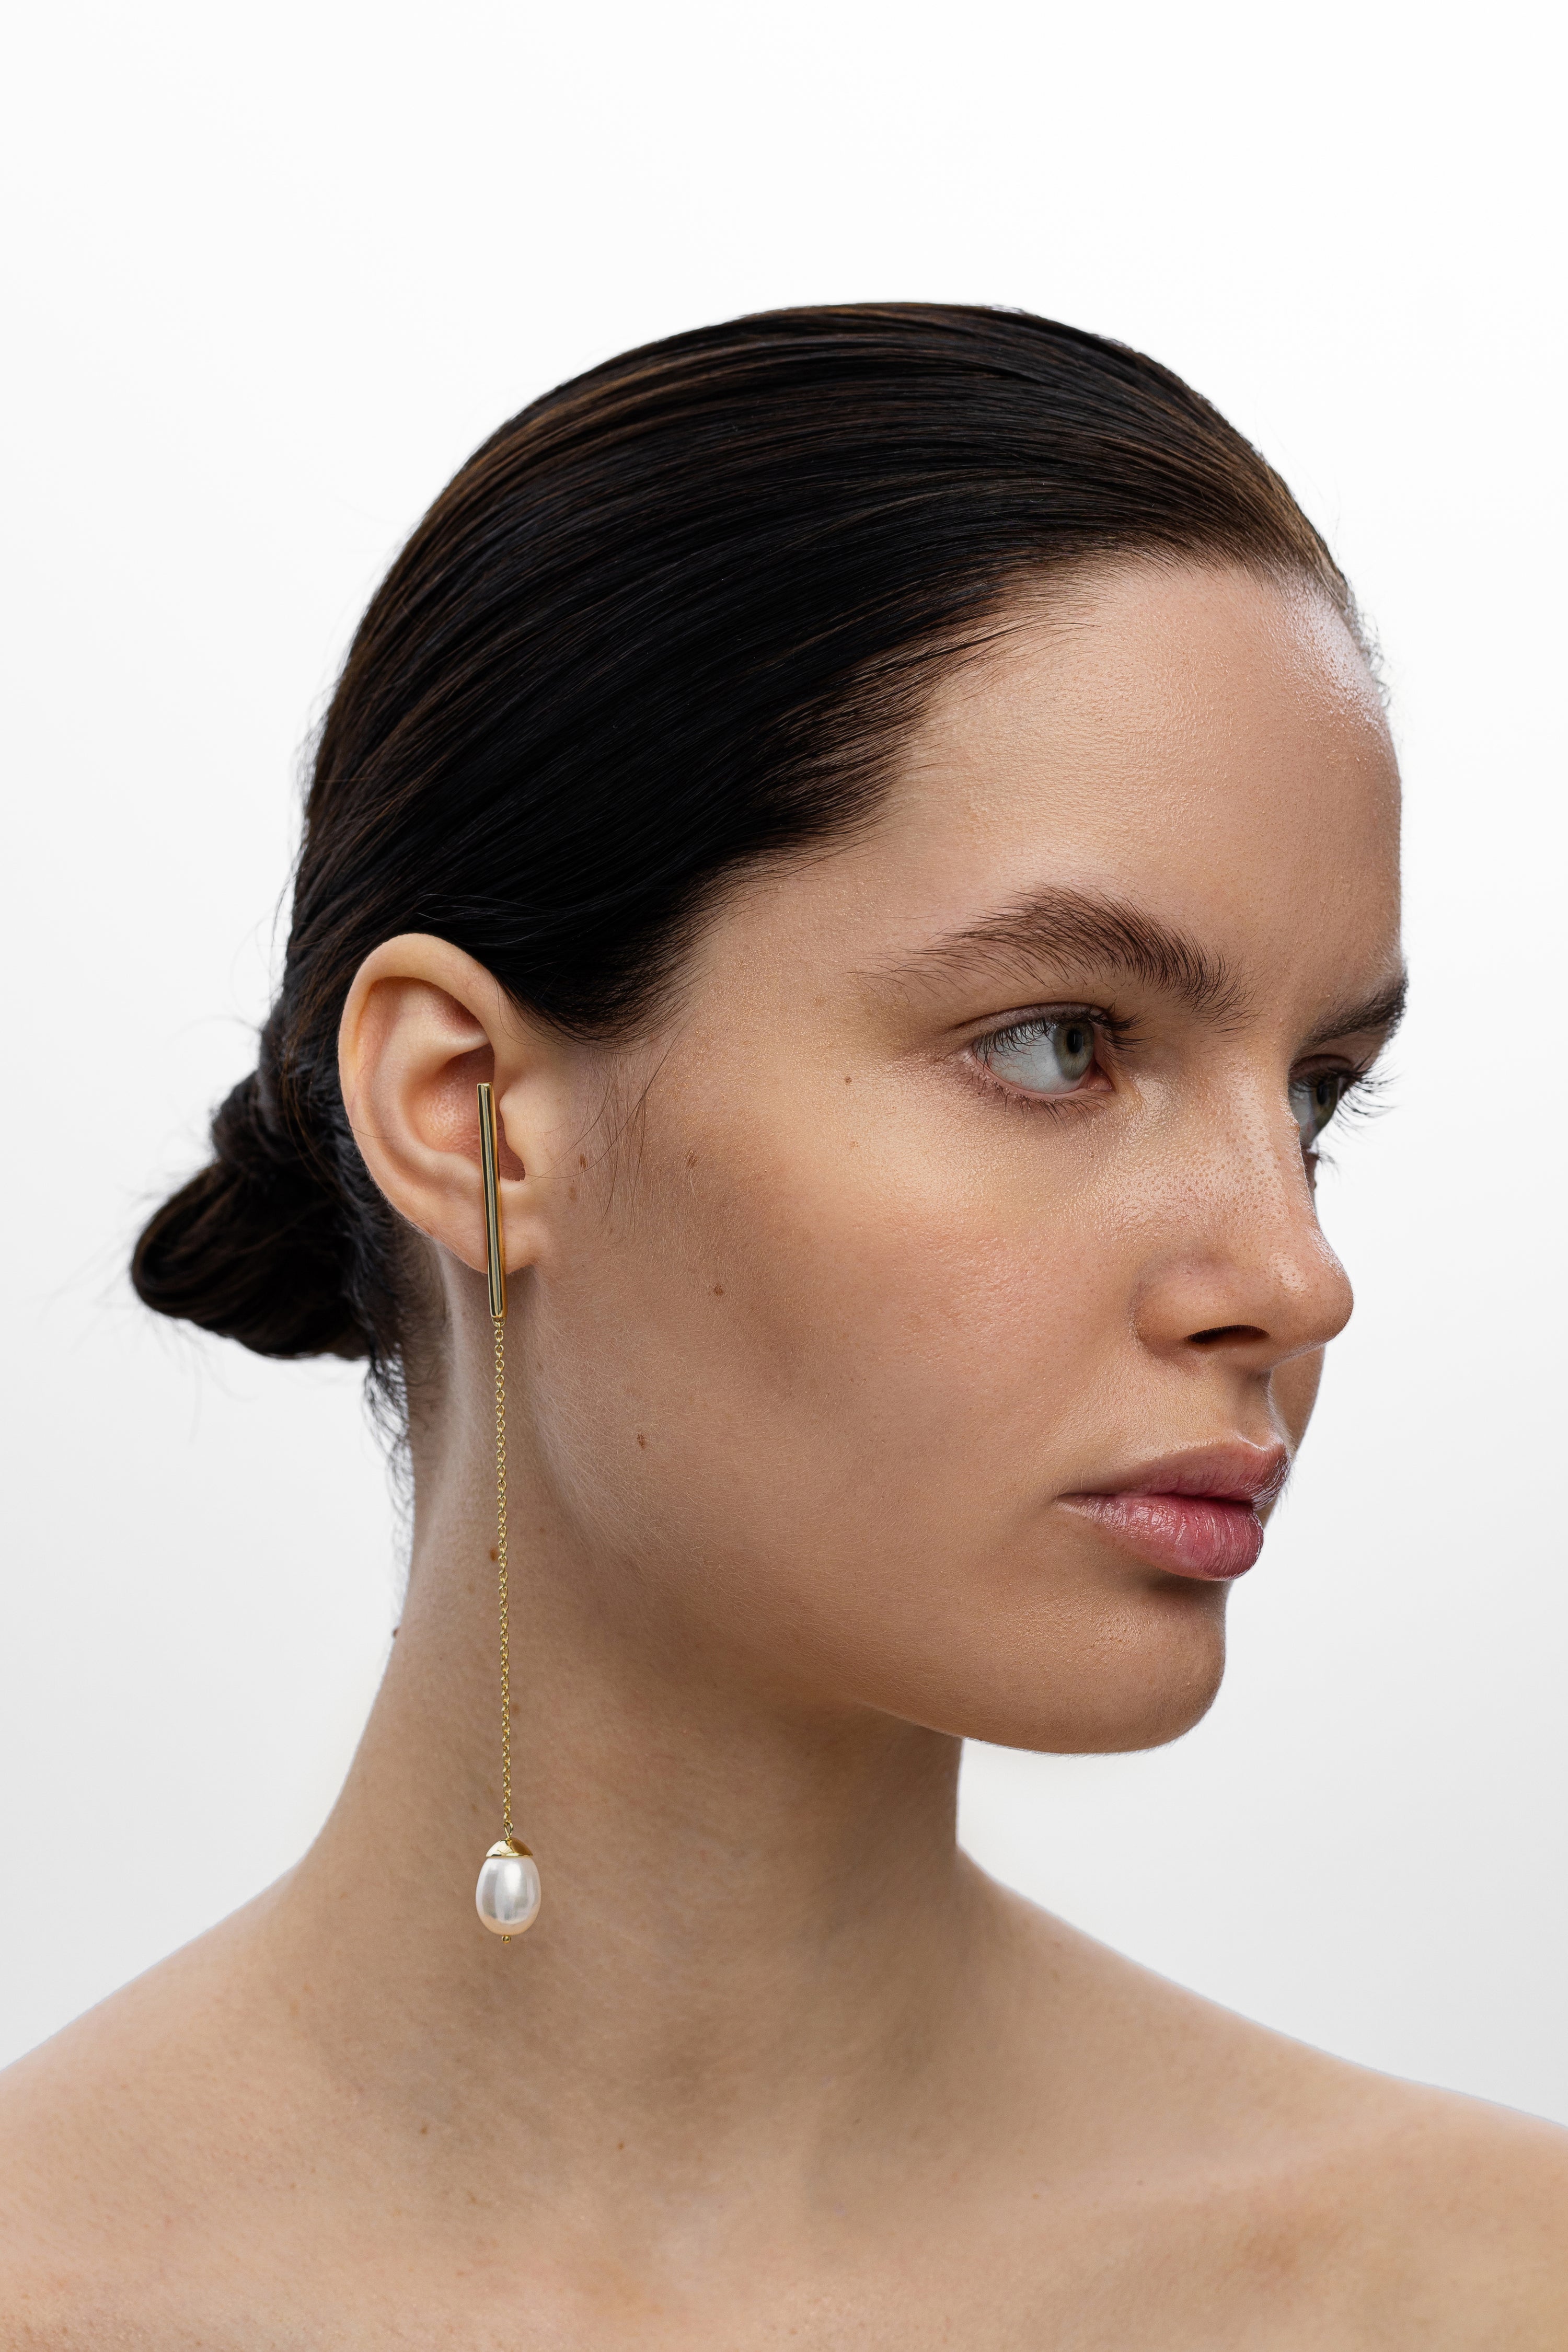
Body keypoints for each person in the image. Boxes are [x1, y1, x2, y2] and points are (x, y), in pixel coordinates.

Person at [2, 304, 1562, 2347]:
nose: (1293, 1277)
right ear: (467, 1110)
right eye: (1059, 1043)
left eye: (1316, 1094)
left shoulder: (1488, 2288)